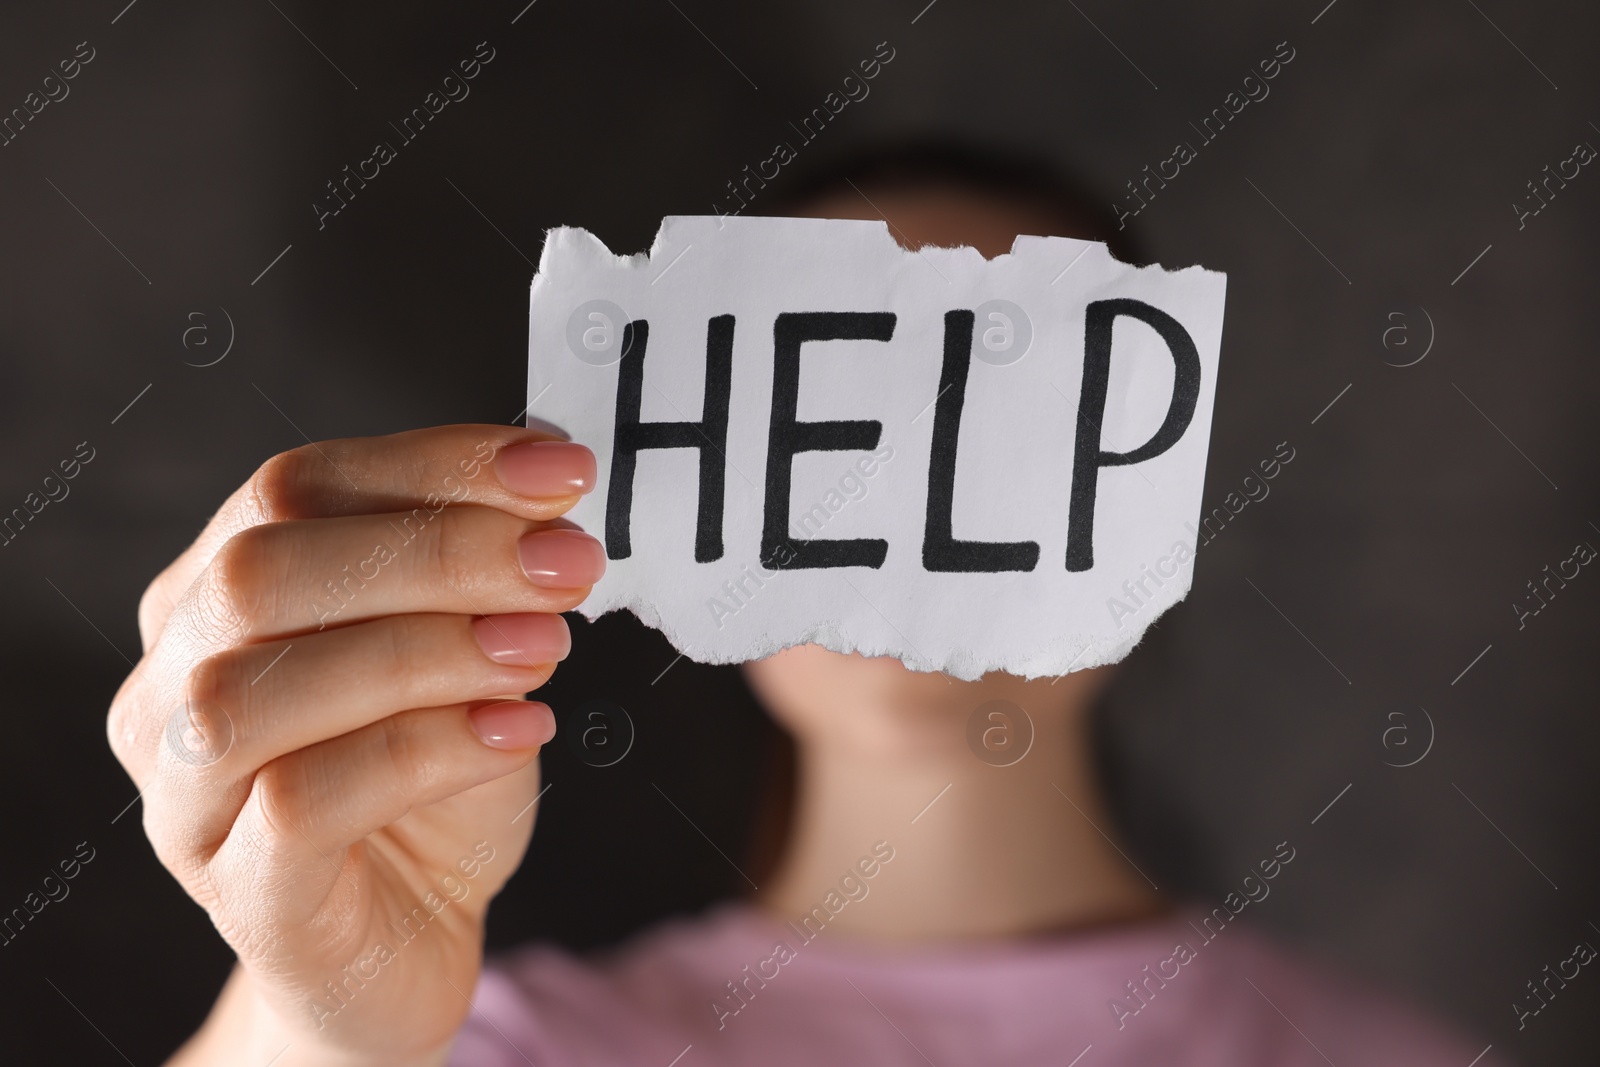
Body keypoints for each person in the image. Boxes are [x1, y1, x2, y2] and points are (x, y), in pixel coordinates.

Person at [108, 147, 1499, 1066]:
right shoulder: (482, 1046)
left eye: (1011, 413)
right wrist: (314, 1023)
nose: (920, 509)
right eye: (835, 420)